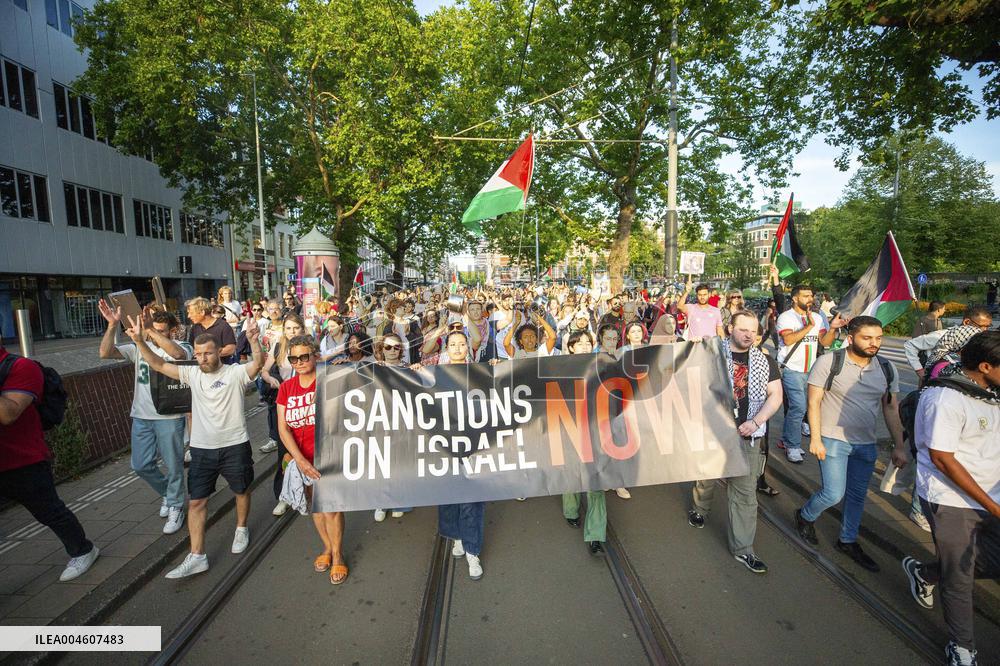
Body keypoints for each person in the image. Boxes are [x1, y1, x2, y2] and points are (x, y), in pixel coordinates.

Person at [125, 315, 265, 579]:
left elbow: (257, 364)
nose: (201, 358)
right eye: (198, 354)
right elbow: (156, 363)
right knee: (197, 501)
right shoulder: (190, 373)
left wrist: (255, 342)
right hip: (202, 450)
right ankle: (197, 555)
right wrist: (138, 340)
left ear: (218, 353)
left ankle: (241, 527)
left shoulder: (234, 373)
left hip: (235, 444)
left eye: (207, 353)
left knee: (241, 489)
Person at [901, 331, 1000, 666]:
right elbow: (943, 458)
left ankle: (927, 573)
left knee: (984, 563)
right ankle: (962, 648)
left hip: (991, 498)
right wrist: (991, 505)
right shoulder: (944, 397)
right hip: (952, 499)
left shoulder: (992, 393)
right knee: (959, 576)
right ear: (986, 366)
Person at [794, 316, 908, 572]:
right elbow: (813, 402)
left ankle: (848, 540)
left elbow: (891, 407)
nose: (873, 343)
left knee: (857, 496)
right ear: (850, 337)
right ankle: (805, 515)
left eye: (878, 338)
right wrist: (815, 438)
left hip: (865, 443)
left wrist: (899, 445)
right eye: (867, 338)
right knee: (834, 493)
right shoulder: (829, 362)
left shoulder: (887, 368)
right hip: (832, 439)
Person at [688, 311, 783, 574]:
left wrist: (757, 421)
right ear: (730, 328)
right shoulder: (711, 356)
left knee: (745, 492)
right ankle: (699, 507)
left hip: (749, 435)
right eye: (743, 329)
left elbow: (775, 395)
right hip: (714, 433)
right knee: (706, 475)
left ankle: (743, 549)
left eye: (753, 331)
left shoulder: (765, 361)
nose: (749, 335)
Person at [0, 338, 100, 581]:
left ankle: (83, 550)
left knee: (50, 512)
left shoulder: (21, 367)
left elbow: (8, 414)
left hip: (23, 462)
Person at [98, 301, 190, 534]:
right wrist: (112, 326)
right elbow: (105, 353)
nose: (155, 333)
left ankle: (177, 505)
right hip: (141, 415)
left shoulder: (180, 345)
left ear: (171, 331)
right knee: (140, 464)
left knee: (174, 465)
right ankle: (169, 495)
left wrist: (148, 331)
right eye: (153, 329)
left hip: (170, 415)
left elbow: (177, 354)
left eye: (161, 330)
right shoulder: (138, 346)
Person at [276, 335, 348, 584]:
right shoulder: (286, 388)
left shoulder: (330, 380)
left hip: (329, 457)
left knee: (331, 508)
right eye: (293, 358)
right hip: (301, 458)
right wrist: (300, 460)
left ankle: (338, 556)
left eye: (304, 356)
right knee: (315, 506)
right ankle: (327, 548)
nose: (298, 362)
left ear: (315, 355)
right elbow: (283, 429)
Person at [420, 331, 486, 580]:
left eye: (462, 344)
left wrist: (494, 370)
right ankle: (457, 536)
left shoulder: (480, 371)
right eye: (453, 344)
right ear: (446, 348)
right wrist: (414, 370)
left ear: (469, 347)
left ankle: (472, 550)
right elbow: (417, 364)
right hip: (444, 445)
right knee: (448, 494)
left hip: (473, 444)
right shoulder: (435, 371)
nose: (458, 348)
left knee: (472, 498)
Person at [776, 284, 846, 463]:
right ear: (795, 298)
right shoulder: (786, 317)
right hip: (791, 368)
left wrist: (832, 328)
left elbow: (825, 342)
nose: (810, 299)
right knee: (798, 406)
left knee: (807, 407)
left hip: (812, 369)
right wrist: (809, 326)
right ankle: (792, 445)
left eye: (811, 296)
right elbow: (788, 339)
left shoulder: (817, 316)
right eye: (805, 296)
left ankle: (786, 439)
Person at [559, 330, 609, 554]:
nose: (585, 347)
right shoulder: (559, 369)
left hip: (595, 432)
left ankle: (596, 534)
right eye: (579, 344)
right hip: (568, 430)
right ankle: (571, 510)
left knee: (595, 484)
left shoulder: (602, 368)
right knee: (571, 475)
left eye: (588, 343)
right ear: (570, 347)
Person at [261, 313, 306, 516]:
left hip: (306, 403)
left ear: (302, 329)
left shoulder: (309, 346)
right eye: (288, 328)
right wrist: (270, 378)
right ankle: (283, 496)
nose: (292, 332)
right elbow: (264, 369)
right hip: (285, 402)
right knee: (284, 452)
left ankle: (310, 490)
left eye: (295, 328)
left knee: (309, 448)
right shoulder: (279, 347)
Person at [371, 333, 414, 523]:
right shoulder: (372, 369)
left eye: (396, 347)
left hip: (402, 421)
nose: (392, 351)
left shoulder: (408, 368)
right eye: (388, 347)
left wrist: (418, 371)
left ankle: (400, 500)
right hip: (380, 421)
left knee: (400, 461)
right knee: (381, 461)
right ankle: (381, 501)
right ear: (381, 349)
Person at [186, 297, 237, 362]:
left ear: (202, 312)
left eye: (191, 313)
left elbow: (231, 349)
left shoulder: (223, 326)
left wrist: (209, 355)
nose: (189, 316)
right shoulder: (195, 328)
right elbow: (191, 348)